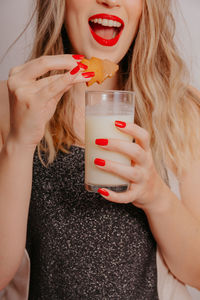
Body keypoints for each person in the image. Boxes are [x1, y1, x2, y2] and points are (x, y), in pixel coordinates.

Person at [0, 0, 200, 299]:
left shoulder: (182, 110)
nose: (111, 0)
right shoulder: (9, 104)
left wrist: (156, 196)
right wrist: (19, 145)